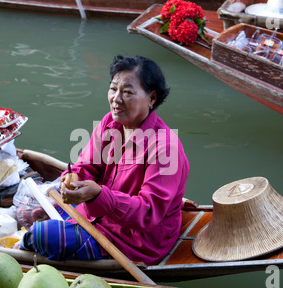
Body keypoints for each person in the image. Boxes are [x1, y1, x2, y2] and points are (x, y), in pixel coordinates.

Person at [20, 55, 190, 266]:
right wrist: (73, 182)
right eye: (113, 89)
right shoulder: (111, 123)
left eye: (127, 92)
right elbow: (87, 166)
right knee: (32, 213)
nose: (116, 99)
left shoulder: (166, 148)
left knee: (40, 236)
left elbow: (148, 213)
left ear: (152, 98)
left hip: (135, 239)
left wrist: (99, 195)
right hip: (97, 213)